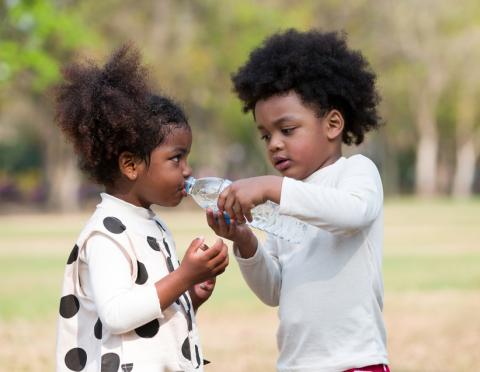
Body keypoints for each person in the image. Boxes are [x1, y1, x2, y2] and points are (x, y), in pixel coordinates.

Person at [207, 29, 389, 372]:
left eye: (286, 130)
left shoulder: (356, 172)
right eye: (266, 135)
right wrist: (245, 241)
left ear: (333, 124)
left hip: (355, 362)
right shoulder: (284, 200)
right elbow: (274, 290)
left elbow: (352, 213)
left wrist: (273, 187)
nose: (274, 144)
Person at [54, 44, 229, 372]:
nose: (187, 170)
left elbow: (147, 316)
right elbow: (118, 315)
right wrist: (183, 276)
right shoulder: (105, 234)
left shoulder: (151, 224)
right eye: (176, 158)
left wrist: (189, 296)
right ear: (131, 165)